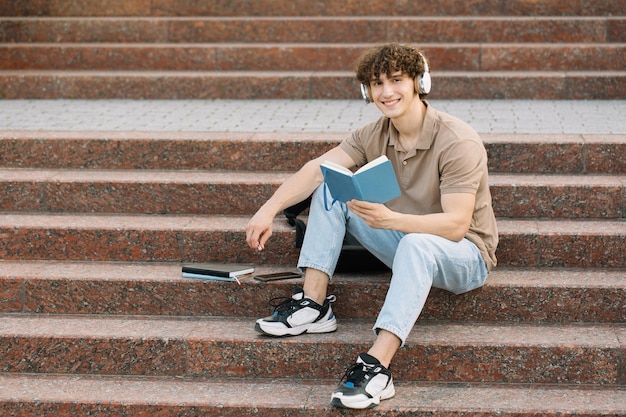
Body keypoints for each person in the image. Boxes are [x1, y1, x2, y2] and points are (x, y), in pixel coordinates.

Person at [245, 43, 498, 409]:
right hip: (405, 238)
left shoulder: (457, 141)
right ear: (367, 90)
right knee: (333, 186)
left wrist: (392, 220)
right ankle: (314, 305)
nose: (386, 92)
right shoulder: (374, 133)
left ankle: (377, 366)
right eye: (377, 84)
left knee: (416, 244)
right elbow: (317, 168)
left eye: (396, 80)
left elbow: (457, 225)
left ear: (418, 82)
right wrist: (269, 208)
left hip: (464, 256)